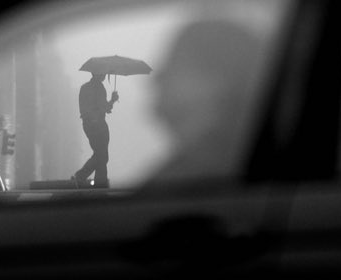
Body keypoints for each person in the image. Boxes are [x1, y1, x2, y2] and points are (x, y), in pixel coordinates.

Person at [144, 17, 264, 187]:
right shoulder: (185, 172)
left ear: (221, 81)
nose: (157, 77)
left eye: (176, 62)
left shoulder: (204, 175)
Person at [72, 72, 119, 188]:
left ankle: (98, 182)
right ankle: (84, 177)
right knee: (102, 155)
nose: (104, 75)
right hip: (98, 126)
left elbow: (85, 109)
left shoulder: (84, 88)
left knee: (101, 154)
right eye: (102, 73)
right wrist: (113, 100)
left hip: (89, 125)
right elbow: (105, 108)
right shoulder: (99, 88)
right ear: (96, 73)